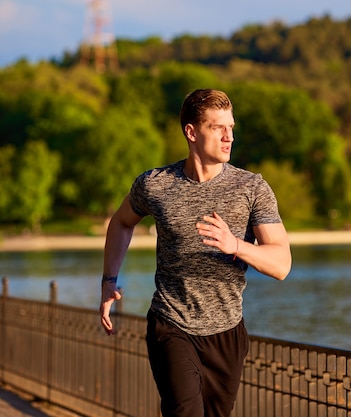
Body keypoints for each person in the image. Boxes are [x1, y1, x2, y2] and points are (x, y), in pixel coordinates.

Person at [99, 88, 292, 417]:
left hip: (227, 333)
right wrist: (108, 280)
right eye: (218, 128)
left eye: (231, 128)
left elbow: (282, 263)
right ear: (191, 132)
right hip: (171, 324)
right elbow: (121, 223)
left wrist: (237, 246)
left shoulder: (252, 188)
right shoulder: (155, 185)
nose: (229, 136)